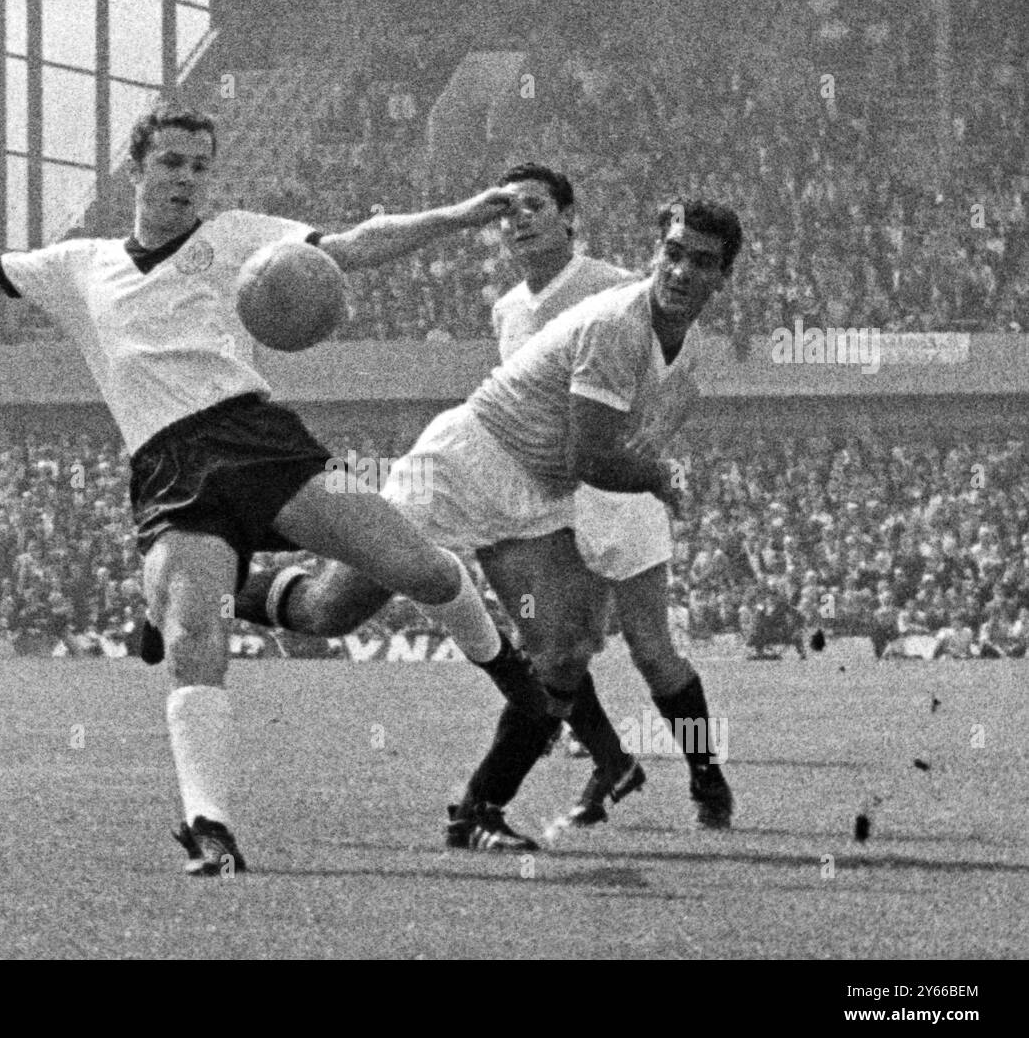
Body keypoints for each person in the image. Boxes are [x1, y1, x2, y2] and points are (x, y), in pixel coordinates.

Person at [0, 104, 556, 878]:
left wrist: (462, 214)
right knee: (195, 641)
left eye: (199, 166)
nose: (186, 178)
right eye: (172, 162)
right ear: (137, 168)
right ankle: (208, 824)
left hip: (262, 439)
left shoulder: (240, 236)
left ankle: (515, 685)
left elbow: (352, 246)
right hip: (169, 468)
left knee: (419, 567)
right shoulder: (79, 265)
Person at [239, 194, 742, 844]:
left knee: (564, 648)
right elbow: (586, 454)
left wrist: (652, 452)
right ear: (654, 253)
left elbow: (655, 406)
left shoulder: (675, 338)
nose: (679, 271)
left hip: (535, 494)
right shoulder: (620, 322)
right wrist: (656, 475)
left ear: (721, 277)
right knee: (331, 611)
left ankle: (477, 810)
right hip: (465, 464)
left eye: (699, 261)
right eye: (671, 253)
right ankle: (216, 585)